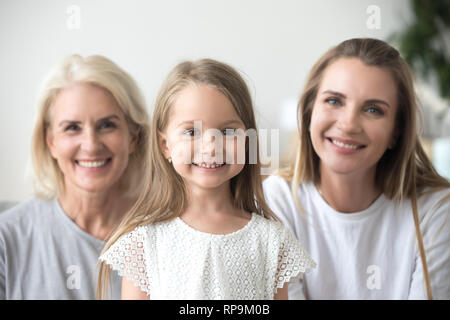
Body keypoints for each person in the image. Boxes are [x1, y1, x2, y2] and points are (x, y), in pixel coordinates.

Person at [97, 58, 316, 300]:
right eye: (191, 131)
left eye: (227, 131)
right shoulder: (145, 242)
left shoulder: (271, 241)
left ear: (247, 141)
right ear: (165, 145)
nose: (211, 147)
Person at [263, 38, 450, 300]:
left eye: (373, 110)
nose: (349, 124)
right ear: (308, 113)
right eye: (334, 101)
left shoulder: (436, 210)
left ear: (397, 131)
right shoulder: (276, 199)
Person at [0, 54, 150, 299]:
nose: (90, 145)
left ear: (133, 138)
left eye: (107, 125)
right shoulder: (6, 239)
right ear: (51, 142)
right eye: (72, 127)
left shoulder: (166, 235)